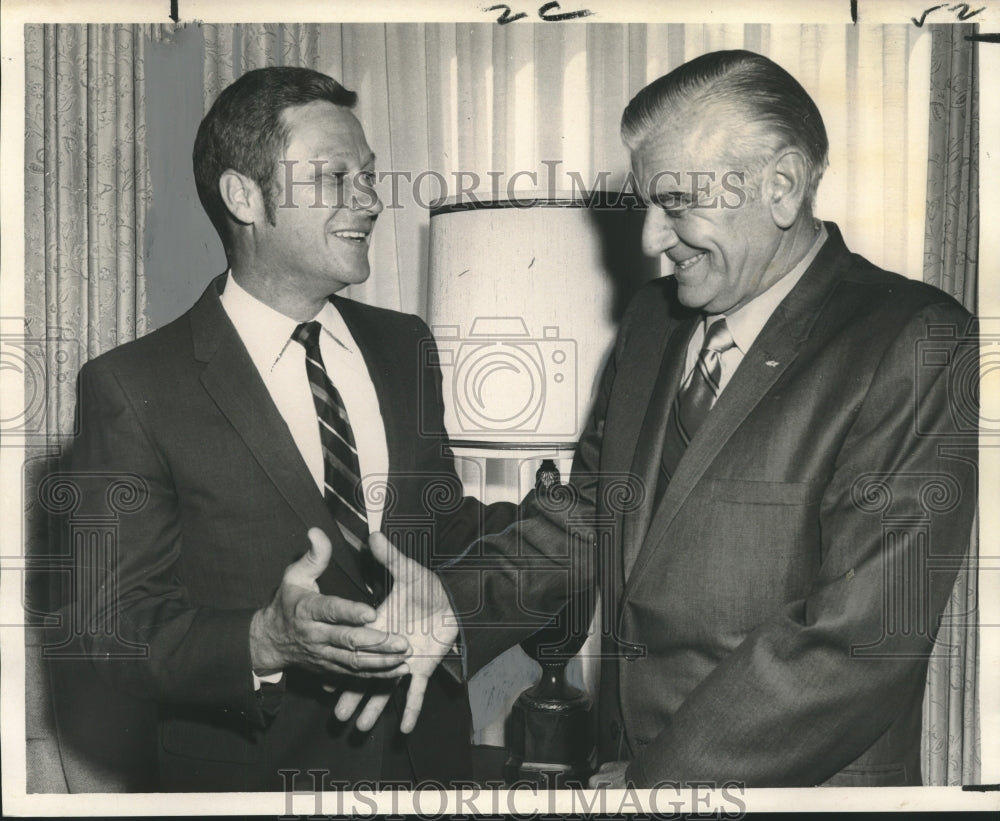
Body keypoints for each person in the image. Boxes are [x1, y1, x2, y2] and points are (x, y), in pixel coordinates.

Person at [366, 49, 978, 788]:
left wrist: (657, 781)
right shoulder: (653, 324)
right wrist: (457, 603)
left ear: (781, 186)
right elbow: (585, 516)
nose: (652, 239)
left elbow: (863, 639)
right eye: (648, 204)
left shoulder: (913, 339)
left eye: (678, 203)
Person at [64, 66, 514, 791]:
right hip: (255, 783)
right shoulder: (132, 386)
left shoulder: (406, 347)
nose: (370, 200)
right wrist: (261, 639)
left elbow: (444, 528)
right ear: (245, 196)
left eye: (369, 176)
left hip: (430, 770)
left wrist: (558, 537)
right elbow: (110, 627)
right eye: (336, 177)